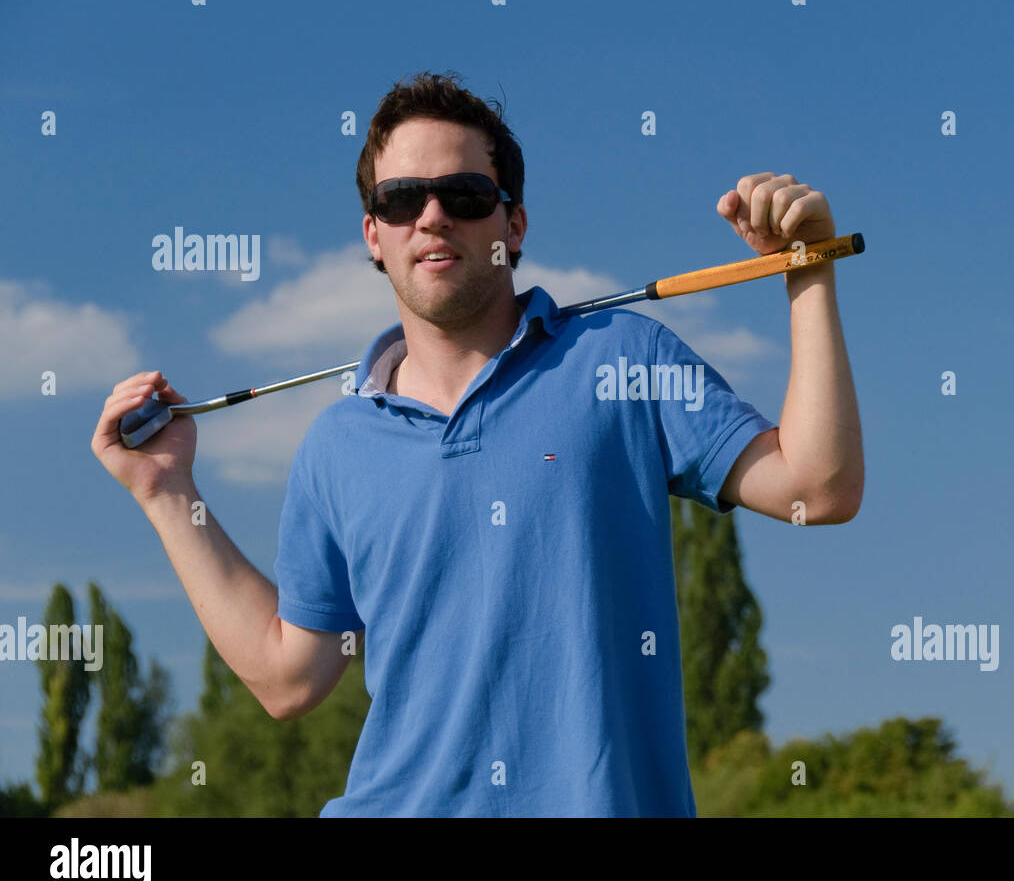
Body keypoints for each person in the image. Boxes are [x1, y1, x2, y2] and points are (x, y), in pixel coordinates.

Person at [91, 71, 863, 816]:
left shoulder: (625, 359)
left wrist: (808, 271)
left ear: (512, 224)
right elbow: (290, 678)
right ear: (374, 235)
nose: (432, 217)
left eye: (462, 195)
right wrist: (166, 491)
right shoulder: (335, 444)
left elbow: (817, 488)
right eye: (400, 200)